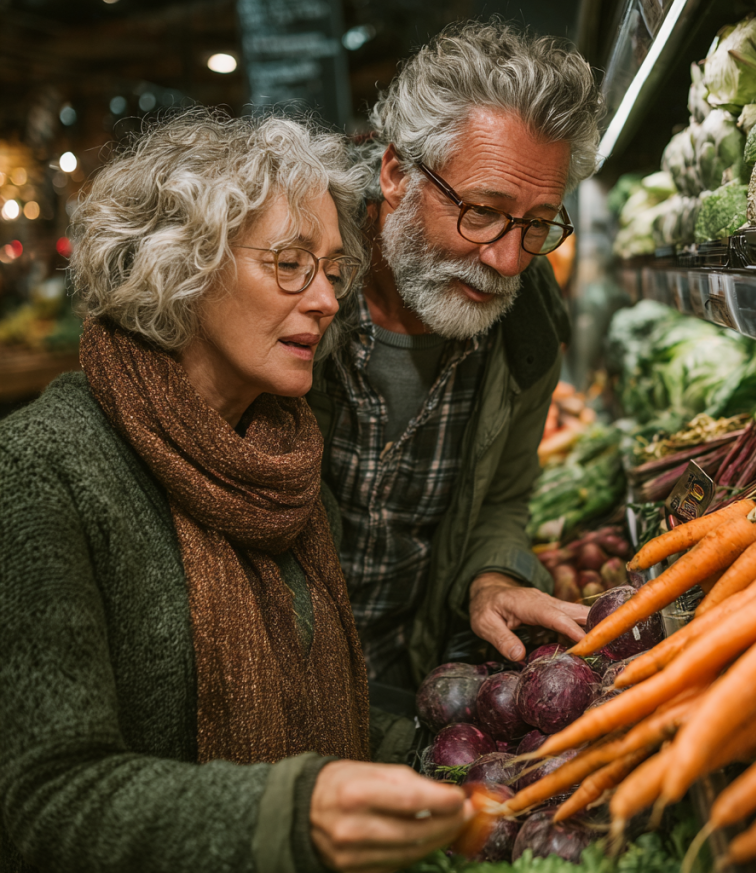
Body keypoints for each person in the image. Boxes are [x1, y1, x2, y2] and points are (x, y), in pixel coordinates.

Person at [0, 110, 471, 873]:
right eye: (290, 263)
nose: (324, 299)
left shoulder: (277, 453)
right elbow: (45, 797)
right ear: (182, 263)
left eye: (330, 270)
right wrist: (281, 813)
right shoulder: (41, 470)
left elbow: (318, 717)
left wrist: (466, 748)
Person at [308, 20, 604, 701]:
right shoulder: (291, 294)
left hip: (403, 684)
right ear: (394, 173)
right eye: (481, 210)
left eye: (537, 223)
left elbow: (502, 497)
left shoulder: (526, 327)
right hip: (264, 683)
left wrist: (492, 576)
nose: (505, 259)